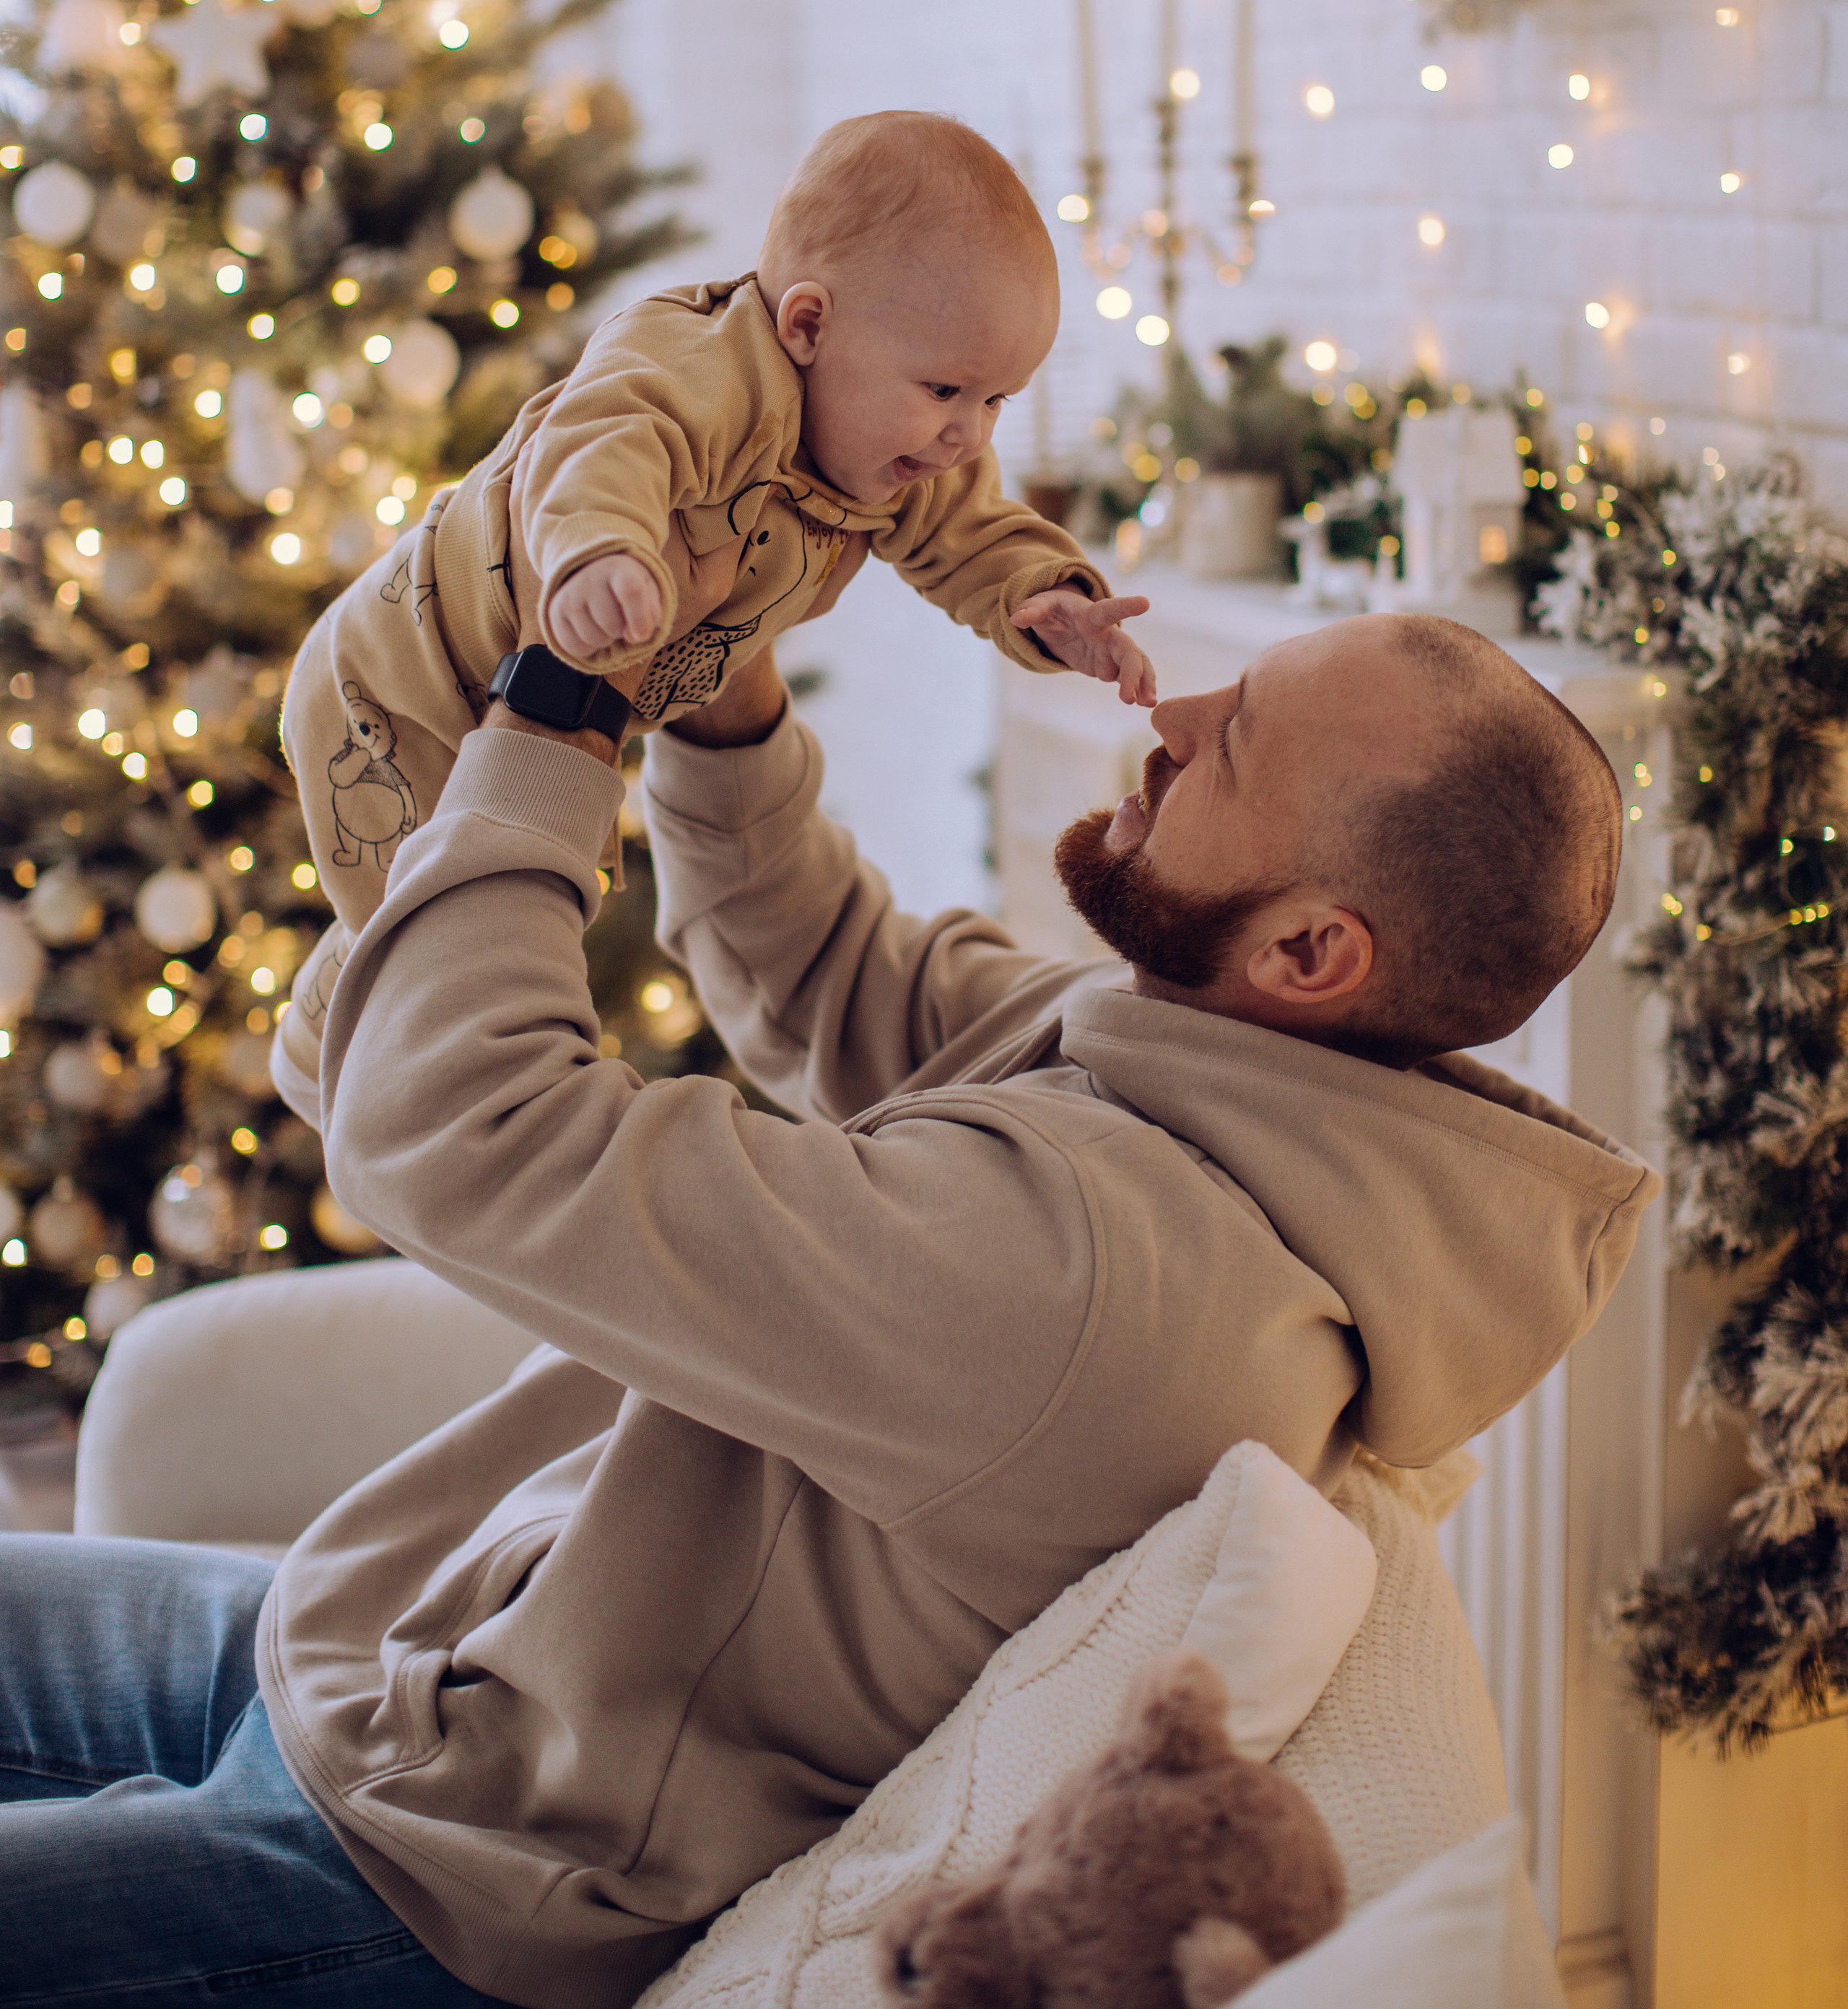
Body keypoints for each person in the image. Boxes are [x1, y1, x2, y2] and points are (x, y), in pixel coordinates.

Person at [0, 579, 1658, 2008]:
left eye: (1228, 741)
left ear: (1312, 951)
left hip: (431, 1870)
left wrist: (554, 723)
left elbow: (473, 1134)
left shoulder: (1102, 1288)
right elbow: (837, 973)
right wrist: (722, 699)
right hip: (395, 1665)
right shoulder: (1205, 1071)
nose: (1172, 703)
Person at [284, 109, 1155, 942]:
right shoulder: (701, 365)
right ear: (808, 325)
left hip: (519, 704)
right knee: (429, 932)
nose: (969, 433)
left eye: (996, 399)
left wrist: (1049, 597)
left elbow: (980, 536)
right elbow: (601, 441)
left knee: (496, 898)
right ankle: (332, 1042)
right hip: (400, 670)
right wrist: (602, 553)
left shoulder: (915, 457)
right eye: (943, 391)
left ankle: (326, 1027)